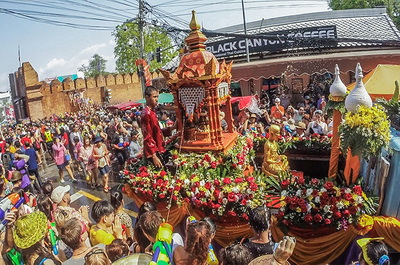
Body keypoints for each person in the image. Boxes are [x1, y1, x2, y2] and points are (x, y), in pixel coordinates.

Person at [140, 86, 166, 168]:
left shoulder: (152, 112)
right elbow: (147, 137)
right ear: (147, 98)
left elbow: (157, 131)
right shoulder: (146, 114)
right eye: (154, 97)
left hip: (158, 149)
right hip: (153, 153)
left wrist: (172, 128)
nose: (157, 99)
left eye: (157, 97)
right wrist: (154, 156)